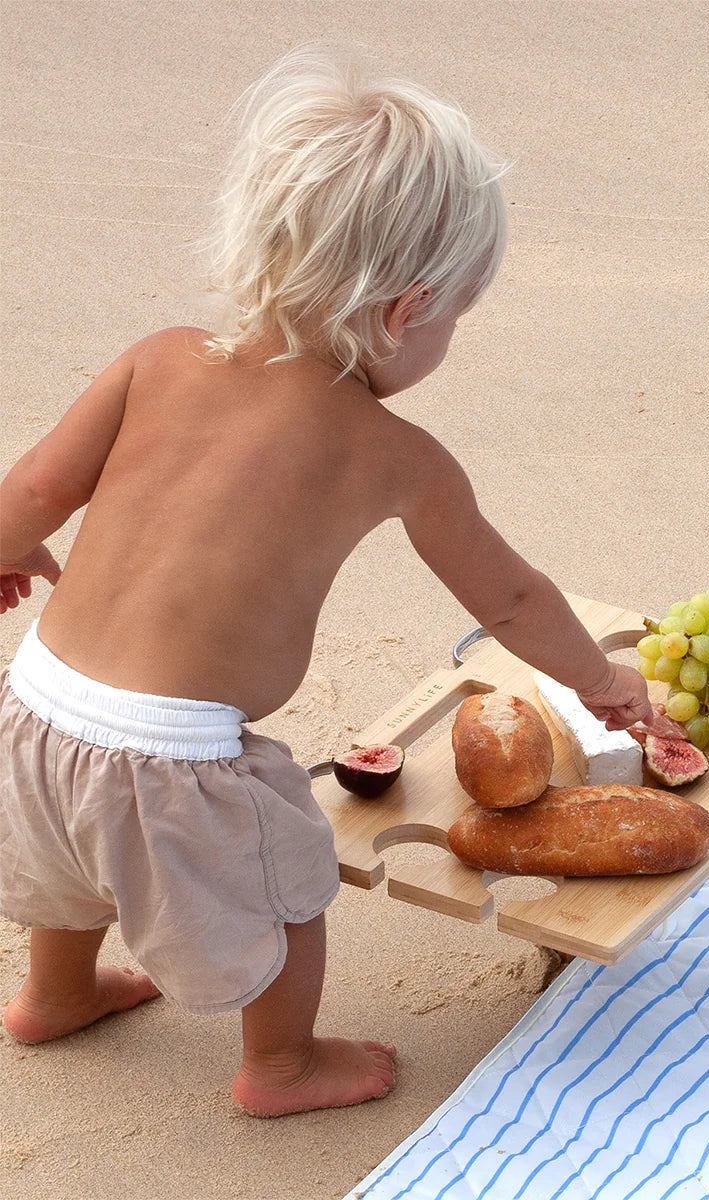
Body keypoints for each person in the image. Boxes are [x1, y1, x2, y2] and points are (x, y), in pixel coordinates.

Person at [0, 47, 650, 1118]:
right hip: (176, 762)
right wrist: (603, 684)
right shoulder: (394, 455)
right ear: (405, 313)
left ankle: (52, 994)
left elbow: (32, 490)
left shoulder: (159, 357)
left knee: (68, 865)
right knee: (291, 889)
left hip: (38, 705)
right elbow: (513, 601)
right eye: (452, 322)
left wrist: (9, 551)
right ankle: (282, 1066)